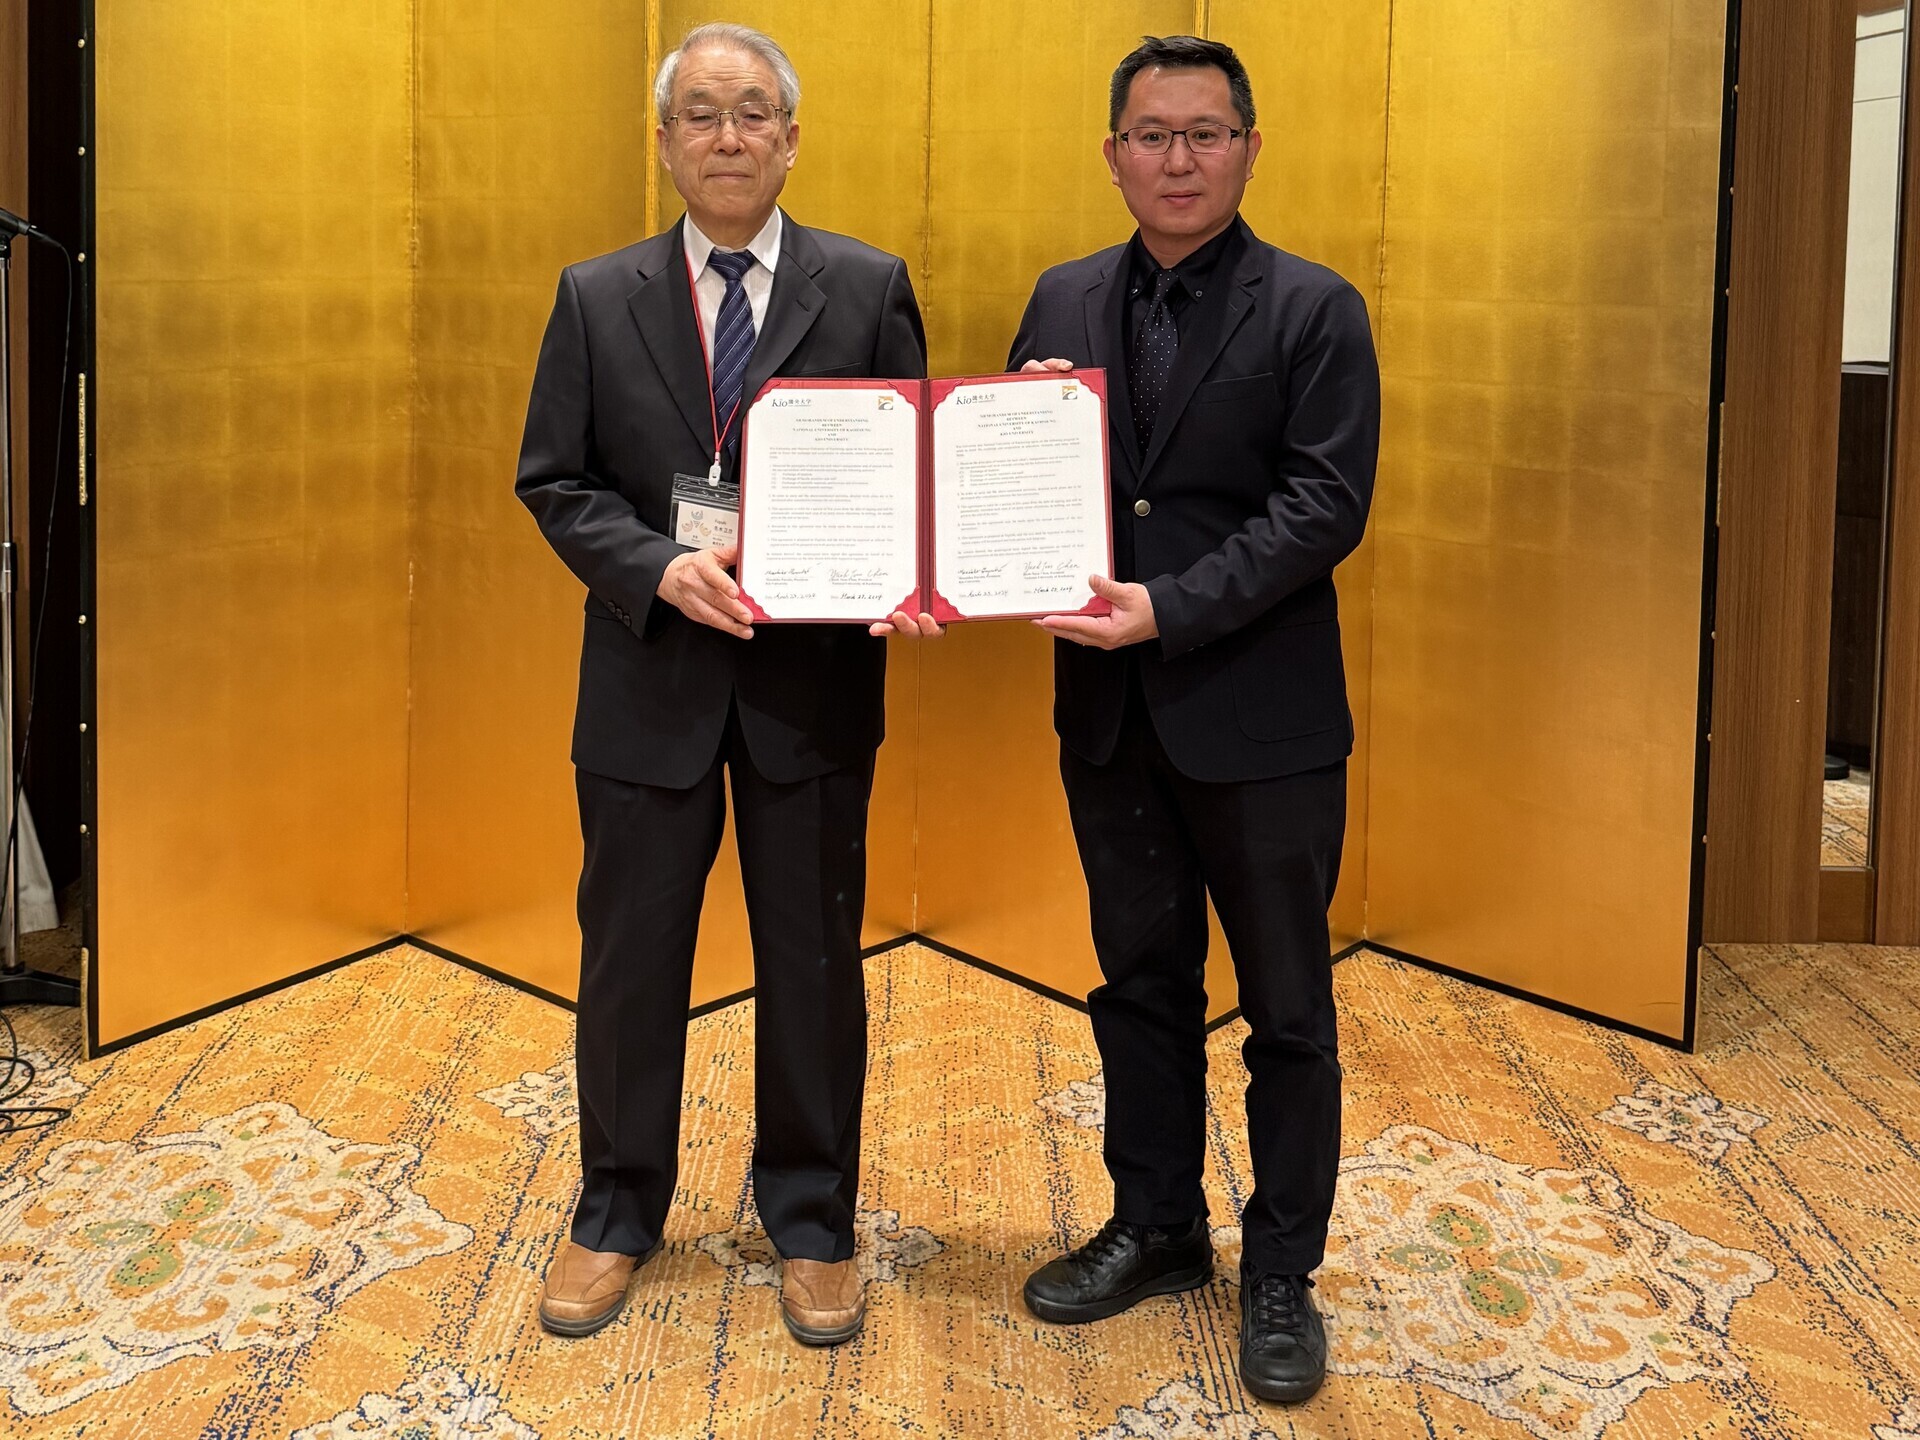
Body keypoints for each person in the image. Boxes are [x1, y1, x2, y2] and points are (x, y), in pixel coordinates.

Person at [515, 21, 934, 1347]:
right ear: (665, 141)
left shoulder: (868, 288)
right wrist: (652, 566)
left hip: (810, 687)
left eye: (754, 112)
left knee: (813, 962)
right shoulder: (596, 294)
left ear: (793, 136)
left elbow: (914, 472)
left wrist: (928, 557)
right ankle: (616, 1209)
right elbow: (555, 482)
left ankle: (812, 1221)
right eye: (701, 114)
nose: (730, 136)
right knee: (631, 960)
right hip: (649, 684)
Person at [1009, 34, 1380, 1405]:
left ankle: (1280, 1266)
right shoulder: (1060, 300)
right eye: (1152, 135)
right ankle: (1157, 1225)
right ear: (1114, 154)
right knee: (1139, 988)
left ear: (1248, 148)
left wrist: (1169, 606)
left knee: (1287, 1008)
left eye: (1205, 133)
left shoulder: (1313, 310)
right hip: (1107, 718)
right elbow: (1009, 482)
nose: (1177, 158)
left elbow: (1321, 507)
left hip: (1262, 721)